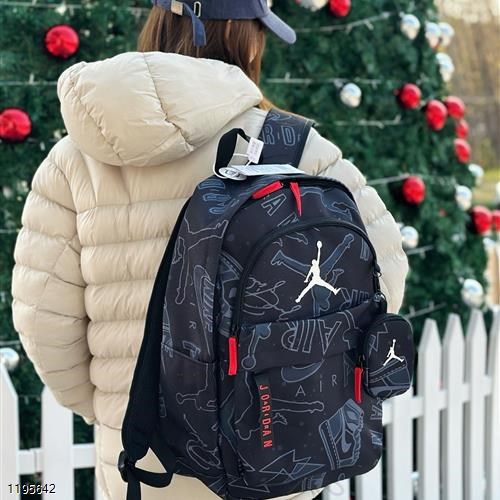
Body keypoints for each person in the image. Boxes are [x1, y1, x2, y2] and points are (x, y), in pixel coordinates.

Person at [10, 1, 409, 499]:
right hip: (270, 444)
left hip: (141, 455)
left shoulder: (74, 157)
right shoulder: (295, 146)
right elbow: (381, 276)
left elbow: (42, 317)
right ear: (245, 37)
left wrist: (112, 404)